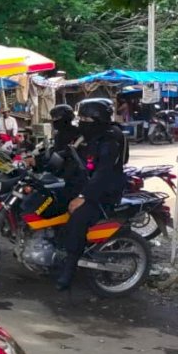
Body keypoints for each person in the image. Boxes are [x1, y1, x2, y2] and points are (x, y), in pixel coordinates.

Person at [56, 98, 128, 291]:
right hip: (87, 185)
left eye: (86, 119)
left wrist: (83, 197)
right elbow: (69, 153)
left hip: (104, 192)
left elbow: (102, 173)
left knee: (78, 218)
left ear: (97, 120)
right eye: (81, 119)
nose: (81, 123)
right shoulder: (90, 136)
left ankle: (69, 268)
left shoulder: (109, 140)